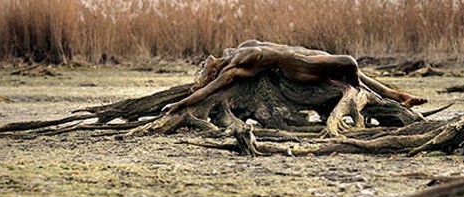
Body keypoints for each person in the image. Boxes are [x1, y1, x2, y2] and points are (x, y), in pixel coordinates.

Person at [164, 40, 427, 114]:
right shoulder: (235, 67)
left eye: (203, 66)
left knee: (356, 71)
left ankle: (398, 96)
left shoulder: (237, 49)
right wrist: (178, 105)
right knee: (349, 64)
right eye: (204, 68)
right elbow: (205, 92)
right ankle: (370, 95)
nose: (204, 64)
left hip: (305, 54)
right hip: (300, 68)